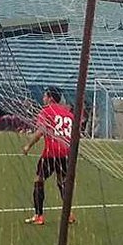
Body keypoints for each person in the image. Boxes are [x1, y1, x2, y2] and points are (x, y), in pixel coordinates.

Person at [21, 87, 75, 225]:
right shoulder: (68, 114)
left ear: (50, 98)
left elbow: (40, 132)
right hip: (66, 153)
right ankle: (68, 214)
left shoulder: (46, 111)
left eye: (45, 96)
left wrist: (28, 146)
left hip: (51, 153)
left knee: (39, 180)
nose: (43, 98)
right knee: (62, 182)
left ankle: (38, 215)